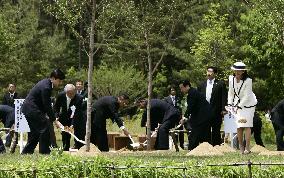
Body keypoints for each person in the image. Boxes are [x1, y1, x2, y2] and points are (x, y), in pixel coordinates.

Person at [21, 69, 65, 154]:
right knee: (45, 127)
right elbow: (47, 105)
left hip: (29, 109)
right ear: (53, 78)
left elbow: (44, 104)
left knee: (35, 133)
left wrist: (52, 118)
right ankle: (44, 153)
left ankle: (26, 152)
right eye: (59, 81)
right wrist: (54, 120)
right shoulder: (46, 87)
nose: (60, 83)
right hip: (31, 109)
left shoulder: (46, 83)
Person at [227, 61, 257, 154]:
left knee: (246, 125)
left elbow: (247, 96)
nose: (237, 73)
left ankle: (247, 147)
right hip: (237, 104)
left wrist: (238, 106)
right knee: (239, 126)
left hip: (248, 105)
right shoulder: (231, 78)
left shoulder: (248, 80)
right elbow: (231, 93)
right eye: (235, 71)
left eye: (239, 71)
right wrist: (230, 104)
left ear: (243, 71)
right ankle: (241, 148)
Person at [197, 66, 227, 146]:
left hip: (216, 111)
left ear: (215, 73)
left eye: (211, 71)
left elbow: (224, 97)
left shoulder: (220, 84)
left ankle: (216, 146)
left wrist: (224, 109)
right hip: (204, 111)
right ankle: (206, 146)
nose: (208, 73)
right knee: (205, 129)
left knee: (216, 130)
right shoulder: (201, 84)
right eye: (208, 71)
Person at [179, 80, 212, 150]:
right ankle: (207, 150)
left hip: (202, 117)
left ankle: (192, 150)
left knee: (194, 134)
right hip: (204, 116)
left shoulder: (192, 93)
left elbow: (190, 107)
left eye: (182, 88)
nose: (181, 90)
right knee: (205, 135)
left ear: (187, 86)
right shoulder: (193, 92)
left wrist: (184, 118)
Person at [54, 84, 85, 151]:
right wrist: (56, 117)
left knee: (77, 133)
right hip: (64, 117)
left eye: (73, 93)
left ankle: (78, 147)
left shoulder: (79, 98)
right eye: (70, 93)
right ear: (66, 92)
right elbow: (56, 107)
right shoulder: (61, 95)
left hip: (75, 117)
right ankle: (65, 149)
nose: (72, 95)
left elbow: (77, 113)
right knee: (65, 134)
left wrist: (72, 124)